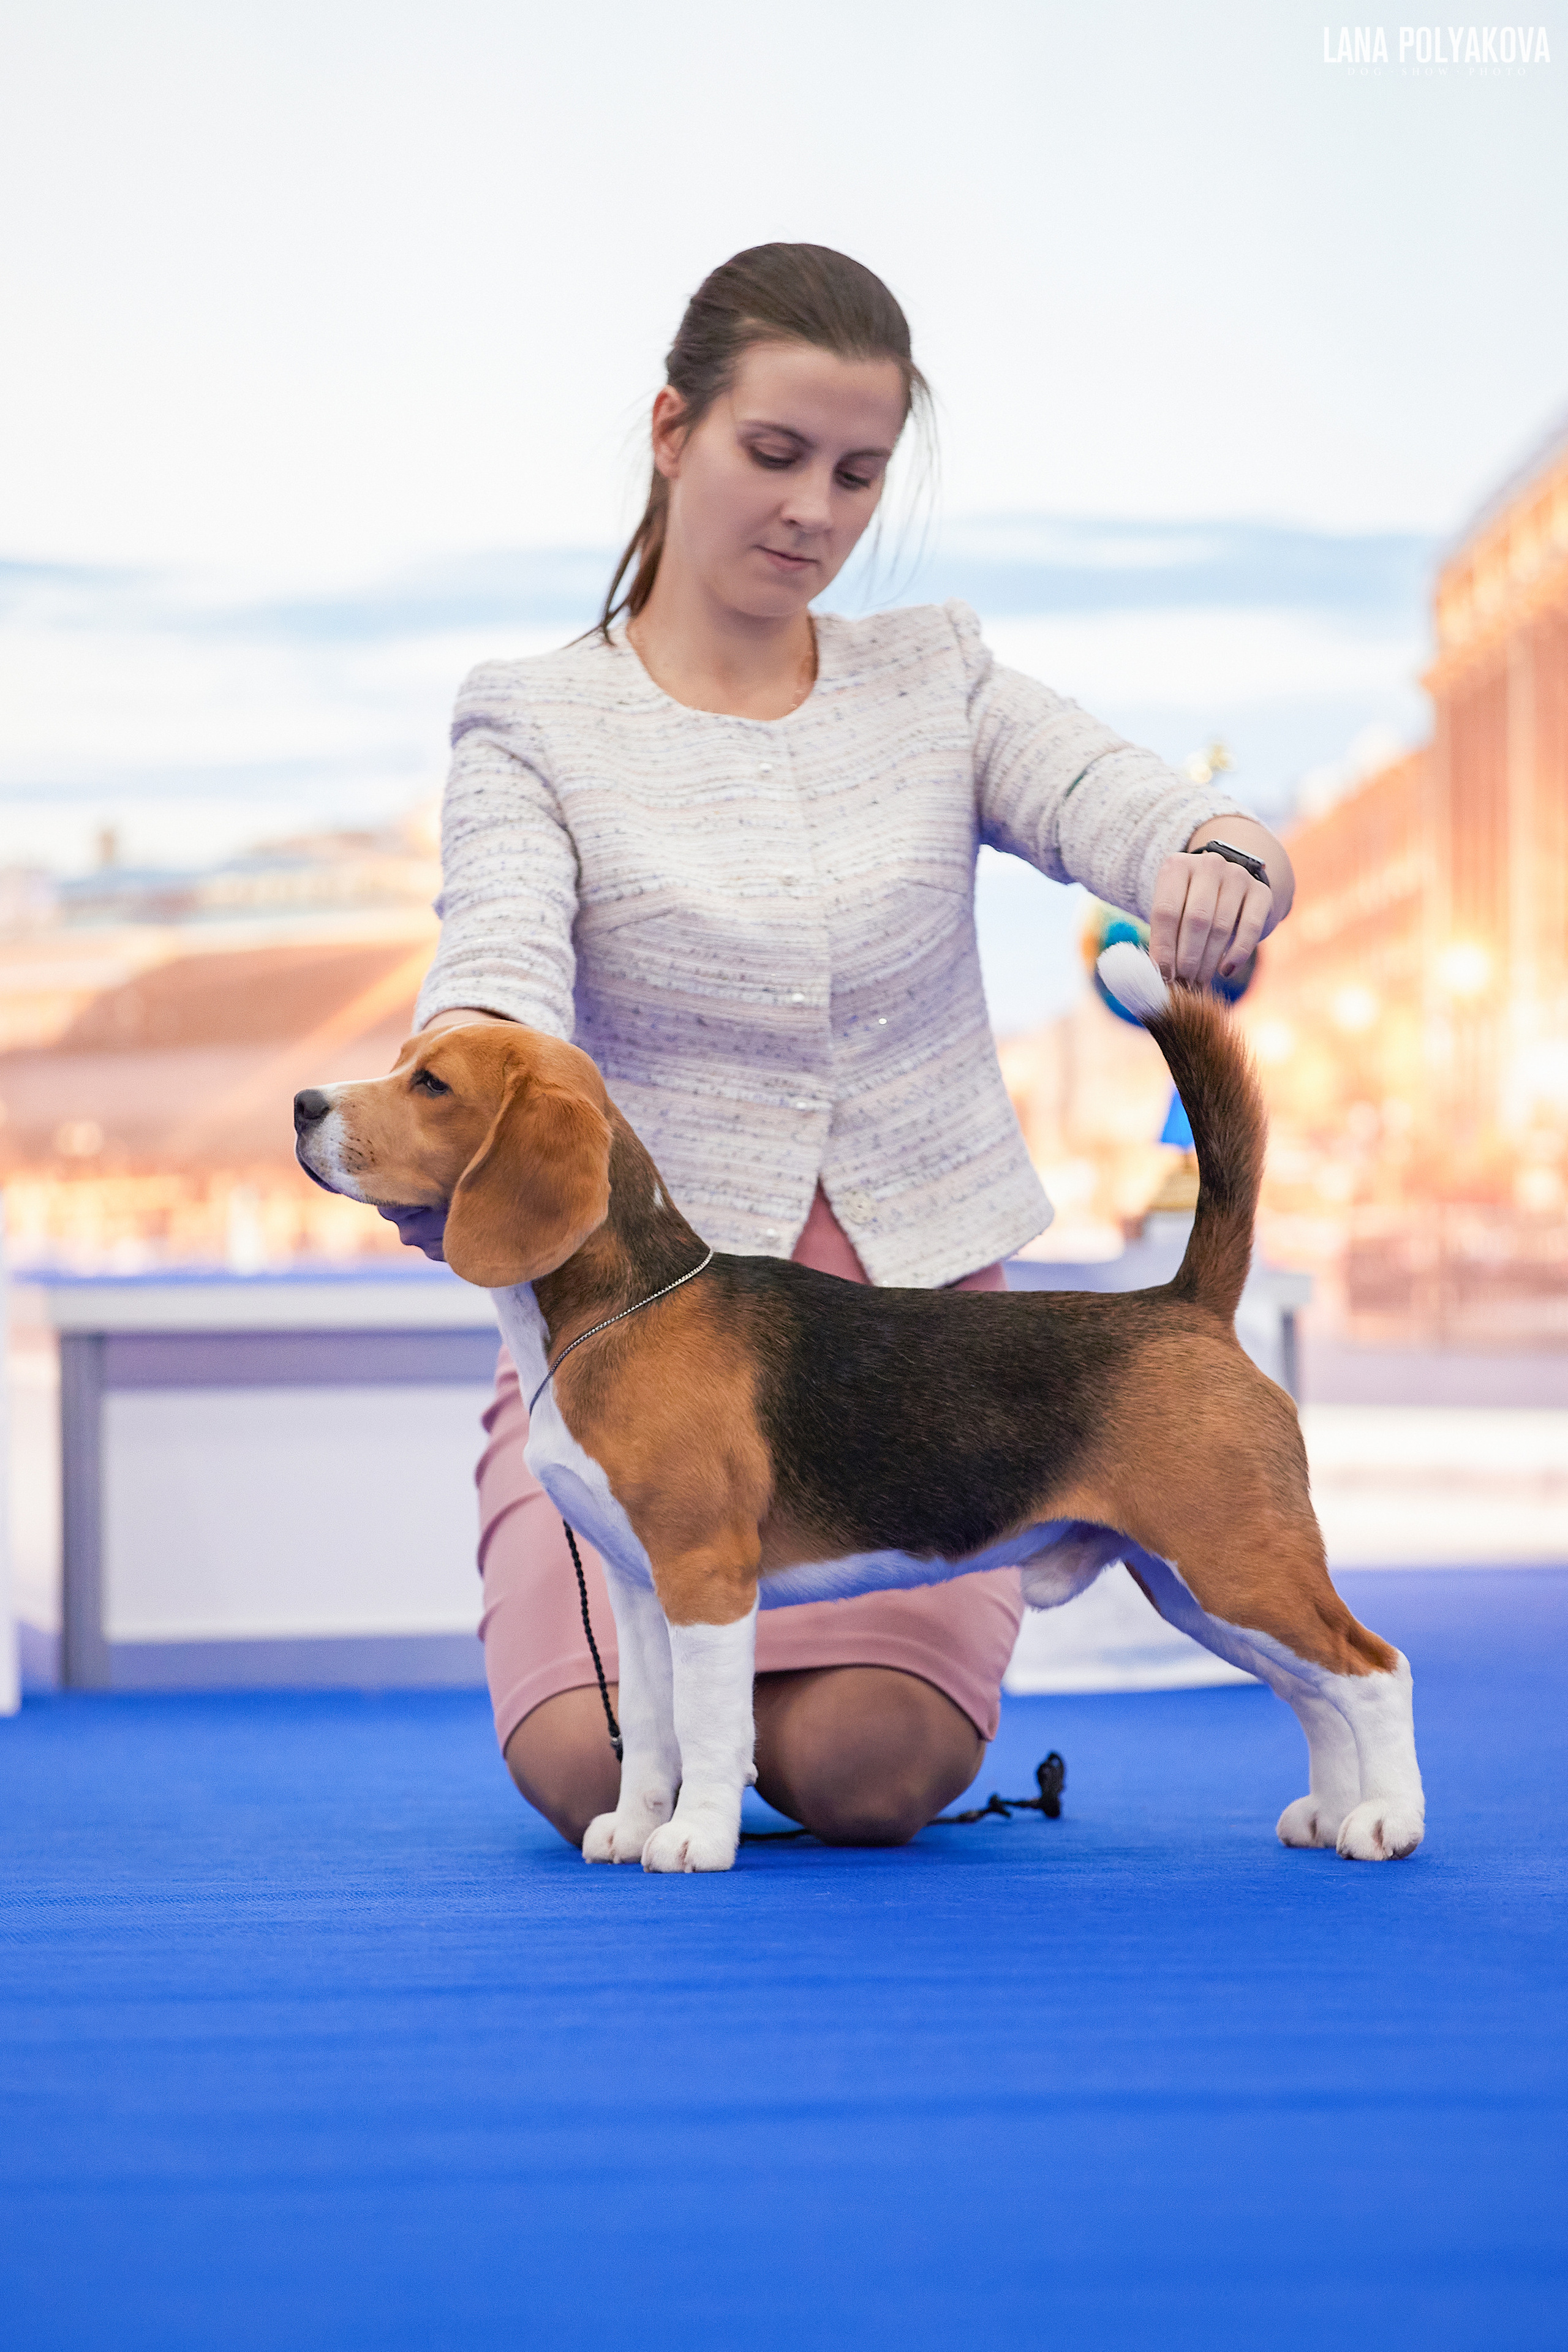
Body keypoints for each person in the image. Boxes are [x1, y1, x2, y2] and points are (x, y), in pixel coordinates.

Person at [385, 243, 1295, 1852]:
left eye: (860, 474)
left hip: (926, 1355)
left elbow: (1120, 799)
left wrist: (1219, 852)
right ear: (674, 431)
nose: (815, 509)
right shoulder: (529, 720)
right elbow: (498, 963)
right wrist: (452, 1100)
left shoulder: (939, 676)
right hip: (638, 1333)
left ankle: (781, 1736)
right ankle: (695, 1740)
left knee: (870, 1772)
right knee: (591, 1770)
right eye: (776, 452)